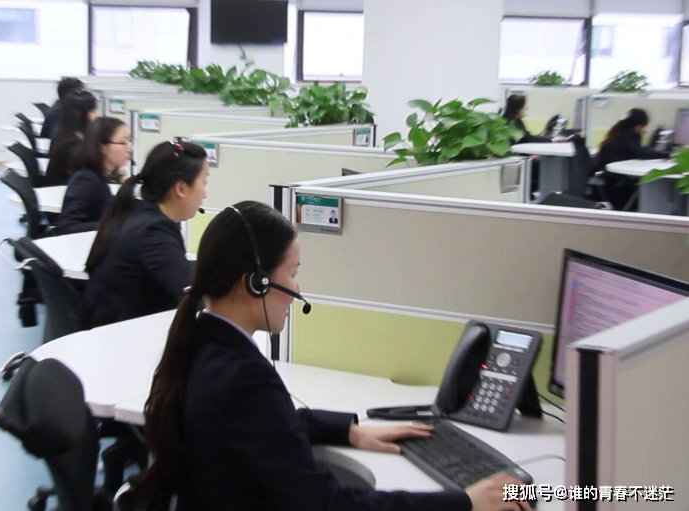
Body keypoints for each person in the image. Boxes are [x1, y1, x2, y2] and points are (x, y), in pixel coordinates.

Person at [135, 200, 530, 511]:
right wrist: (465, 502)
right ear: (255, 283)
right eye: (292, 273)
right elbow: (327, 504)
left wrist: (348, 430)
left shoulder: (201, 341)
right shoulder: (243, 377)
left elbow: (265, 427)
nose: (297, 288)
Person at [83, 141, 208, 329]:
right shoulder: (154, 232)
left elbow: (177, 270)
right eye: (204, 183)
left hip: (112, 325)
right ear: (181, 189)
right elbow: (194, 299)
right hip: (121, 336)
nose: (205, 194)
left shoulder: (139, 212)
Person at [55, 117, 131, 235]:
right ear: (102, 147)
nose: (130, 148)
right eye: (123, 143)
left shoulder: (98, 176)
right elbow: (66, 227)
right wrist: (114, 225)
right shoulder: (86, 180)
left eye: (130, 141)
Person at [593, 108, 670, 210]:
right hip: (618, 184)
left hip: (608, 178)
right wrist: (667, 155)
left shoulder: (618, 130)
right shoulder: (632, 134)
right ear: (640, 125)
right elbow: (642, 154)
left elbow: (638, 151)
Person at [42, 90, 98, 187]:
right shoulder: (71, 146)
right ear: (81, 115)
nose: (96, 115)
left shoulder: (67, 134)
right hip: (63, 191)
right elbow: (88, 175)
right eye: (93, 111)